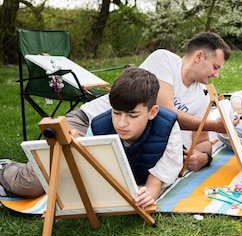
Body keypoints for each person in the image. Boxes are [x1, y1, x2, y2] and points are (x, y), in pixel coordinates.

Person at [0, 31, 230, 198]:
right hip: (89, 123)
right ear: (199, 56)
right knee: (32, 185)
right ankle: (5, 168)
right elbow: (166, 113)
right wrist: (214, 124)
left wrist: (204, 157)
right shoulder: (165, 60)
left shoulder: (201, 97)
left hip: (129, 143)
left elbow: (202, 140)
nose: (217, 75)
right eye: (216, 67)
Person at [88, 67, 183, 208]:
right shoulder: (97, 127)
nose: (121, 123)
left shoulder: (167, 126)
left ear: (152, 112)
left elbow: (159, 176)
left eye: (132, 115)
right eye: (116, 112)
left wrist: (148, 194)